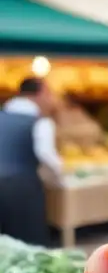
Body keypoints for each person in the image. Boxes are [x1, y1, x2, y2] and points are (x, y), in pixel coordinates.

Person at [0, 78, 62, 245]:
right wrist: (60, 180)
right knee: (30, 247)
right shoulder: (41, 122)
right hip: (22, 191)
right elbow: (47, 155)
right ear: (40, 94)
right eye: (49, 93)